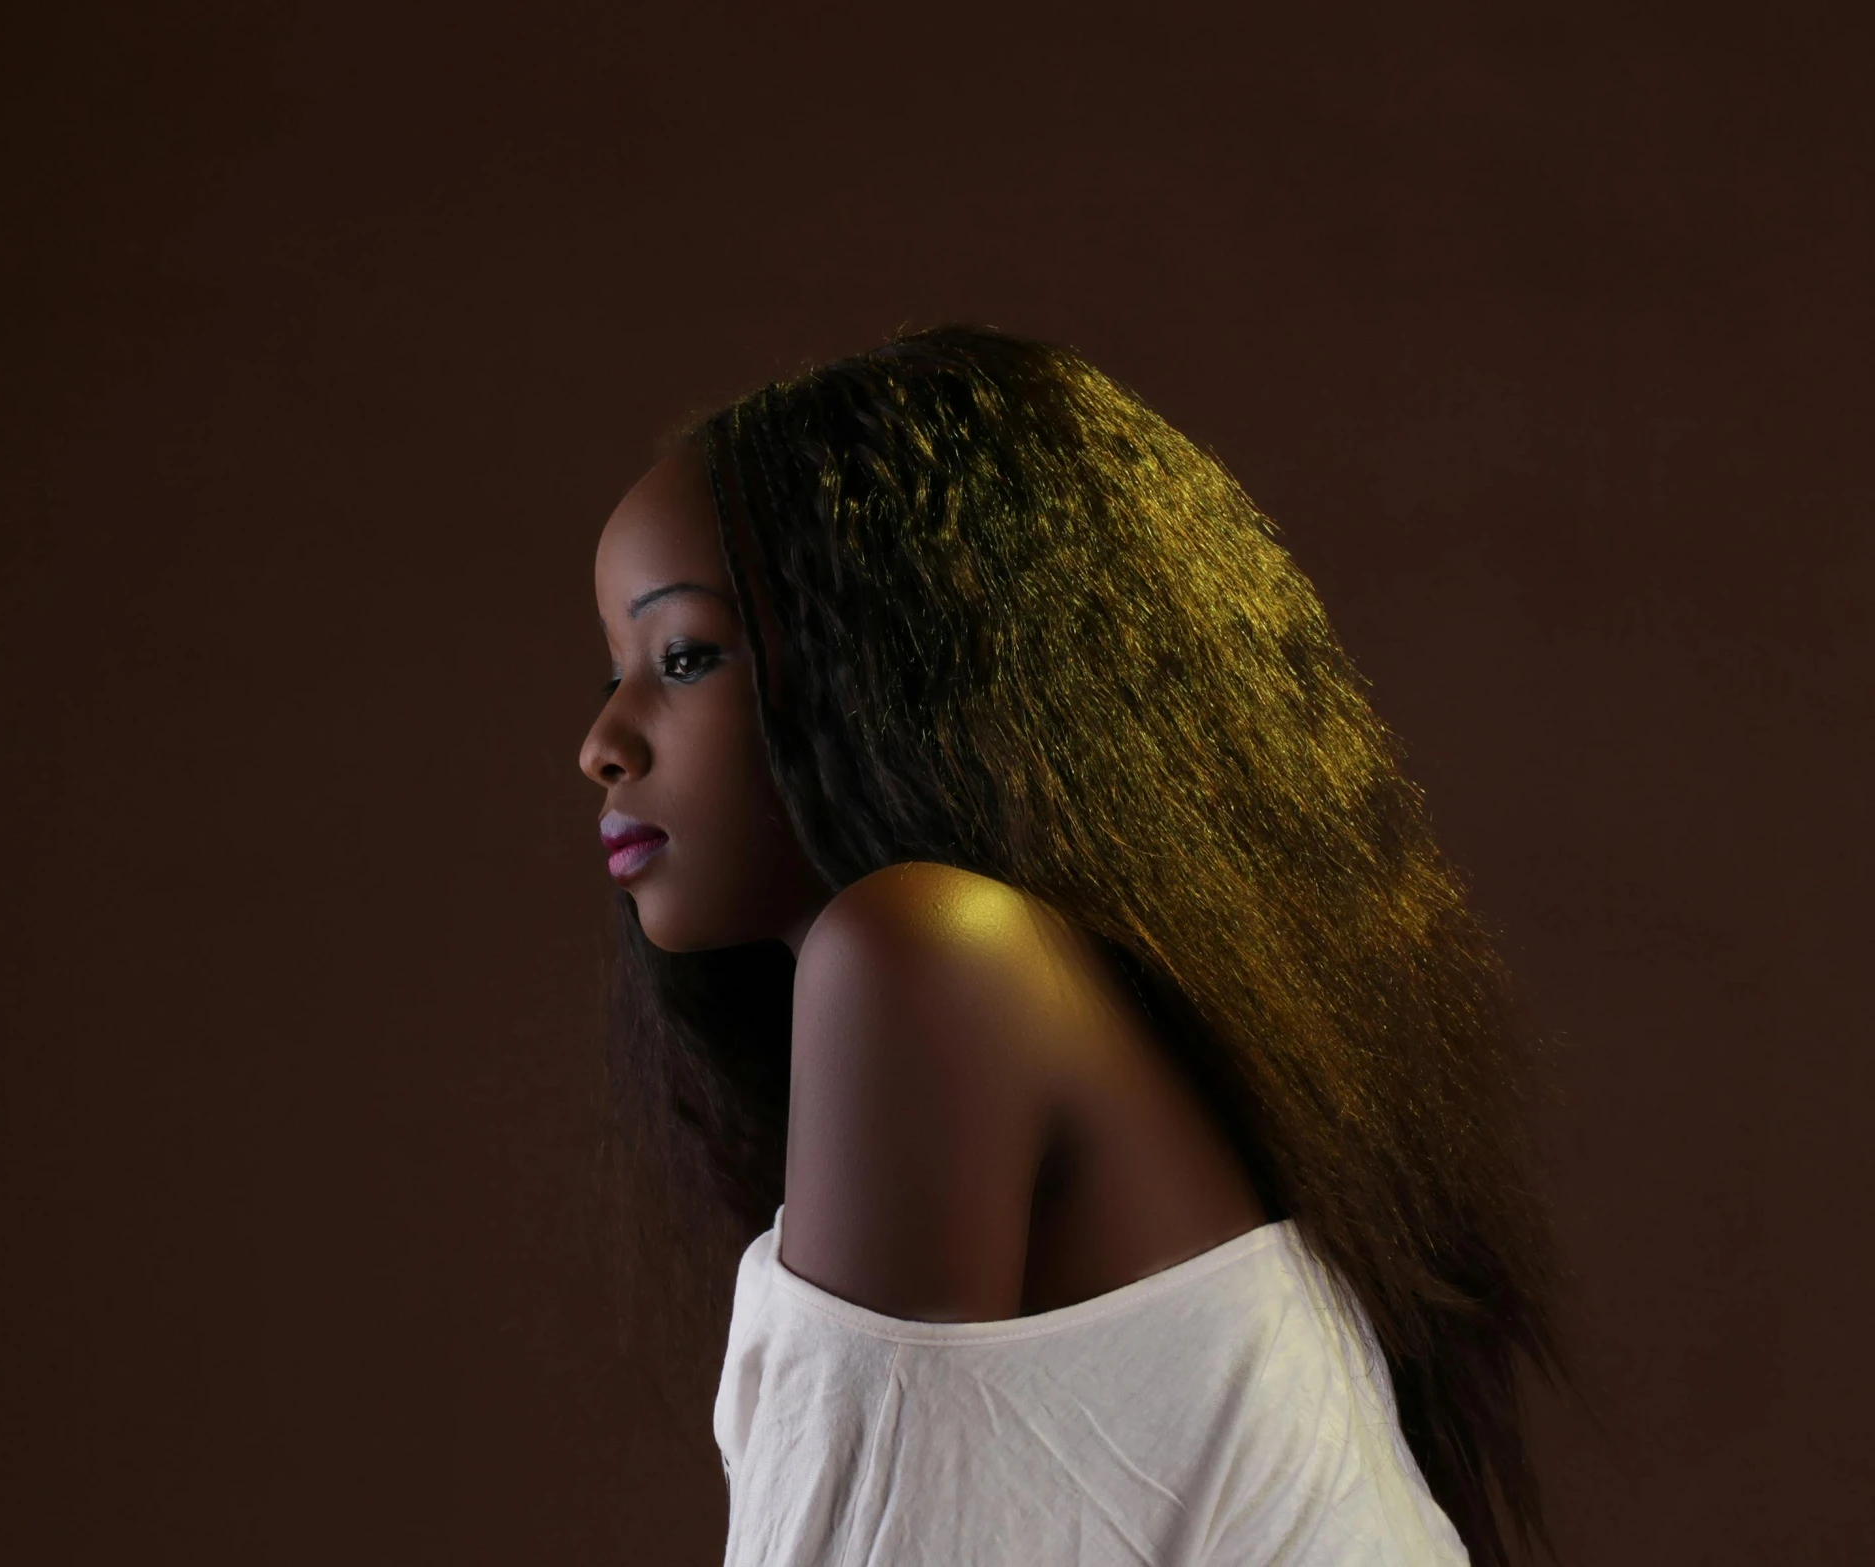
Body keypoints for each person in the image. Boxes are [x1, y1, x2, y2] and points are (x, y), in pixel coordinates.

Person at [578, 327, 1561, 1567]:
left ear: (906, 655)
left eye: (684, 657)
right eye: (616, 671)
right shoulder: (1045, 1003)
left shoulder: (931, 953)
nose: (604, 741)